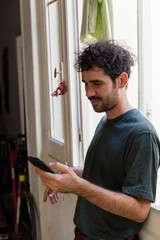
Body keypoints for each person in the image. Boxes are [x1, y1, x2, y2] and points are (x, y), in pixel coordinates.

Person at [35, 40, 160, 240]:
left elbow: (139, 210)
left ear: (122, 80)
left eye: (97, 84)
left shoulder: (141, 135)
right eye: (85, 83)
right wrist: (69, 175)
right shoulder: (105, 121)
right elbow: (107, 175)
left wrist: (77, 186)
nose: (88, 93)